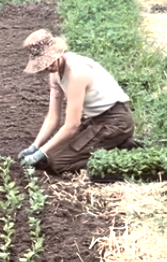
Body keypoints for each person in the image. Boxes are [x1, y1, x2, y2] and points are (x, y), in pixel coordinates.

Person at [18, 29, 134, 175]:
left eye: (49, 61)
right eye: (43, 64)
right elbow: (53, 117)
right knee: (47, 156)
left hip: (115, 121)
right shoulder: (55, 74)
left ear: (58, 53)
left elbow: (72, 125)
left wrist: (40, 153)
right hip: (94, 120)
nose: (47, 67)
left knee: (57, 162)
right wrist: (35, 146)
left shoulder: (77, 73)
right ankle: (111, 144)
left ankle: (117, 154)